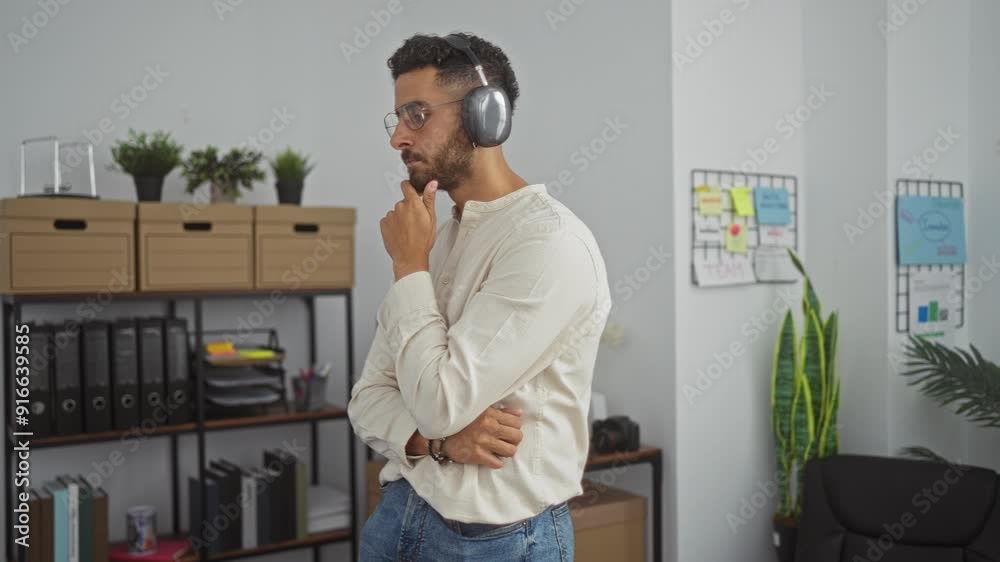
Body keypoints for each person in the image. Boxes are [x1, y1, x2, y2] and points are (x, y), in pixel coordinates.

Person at [347, 31, 611, 561]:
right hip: (400, 512)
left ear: (484, 115)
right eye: (397, 118)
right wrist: (436, 444)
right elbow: (367, 400)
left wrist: (407, 265)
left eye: (416, 114)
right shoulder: (436, 239)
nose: (398, 137)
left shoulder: (547, 244)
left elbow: (440, 401)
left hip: (497, 540)